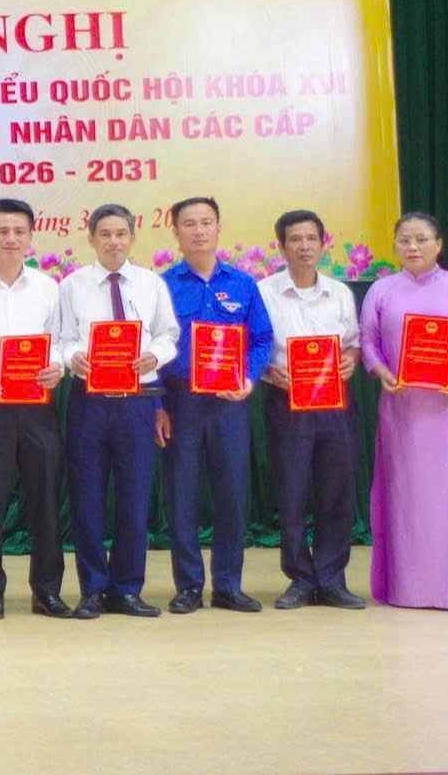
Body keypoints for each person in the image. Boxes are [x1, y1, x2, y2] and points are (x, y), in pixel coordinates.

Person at [359, 211, 448, 611]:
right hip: (402, 410)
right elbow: (368, 339)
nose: (413, 247)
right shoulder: (381, 290)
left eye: (422, 239)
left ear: (439, 244)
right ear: (395, 246)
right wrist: (380, 370)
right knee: (408, 497)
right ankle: (411, 589)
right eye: (405, 240)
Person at [54, 205, 177, 619]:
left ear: (132, 238)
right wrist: (73, 357)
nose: (113, 241)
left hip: (137, 403)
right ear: (91, 238)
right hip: (88, 402)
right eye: (105, 234)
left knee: (134, 497)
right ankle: (92, 589)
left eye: (121, 233)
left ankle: (126, 589)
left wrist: (154, 355)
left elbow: (169, 334)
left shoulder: (151, 284)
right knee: (86, 497)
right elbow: (62, 339)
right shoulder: (71, 286)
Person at [155, 197, 274, 614]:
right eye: (189, 224)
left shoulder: (243, 283)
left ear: (219, 228)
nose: (199, 230)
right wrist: (158, 405)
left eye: (206, 222)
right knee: (181, 494)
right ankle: (188, 586)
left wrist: (249, 378)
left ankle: (228, 585)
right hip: (180, 401)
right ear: (176, 232)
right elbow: (151, 346)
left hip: (229, 402)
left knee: (232, 493)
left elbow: (262, 339)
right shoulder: (161, 285)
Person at [0, 199, 71, 620]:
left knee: (45, 500)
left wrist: (56, 365)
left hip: (38, 406)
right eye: (2, 231)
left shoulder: (48, 287)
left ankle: (48, 591)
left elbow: (59, 339)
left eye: (19, 231)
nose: (11, 238)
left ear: (31, 237)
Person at [256, 210, 367, 610]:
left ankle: (332, 579)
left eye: (311, 239)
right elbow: (254, 345)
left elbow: (353, 343)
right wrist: (269, 371)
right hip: (286, 402)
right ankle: (300, 579)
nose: (304, 246)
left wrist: (351, 359)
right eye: (295, 239)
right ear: (281, 247)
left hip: (334, 402)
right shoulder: (264, 292)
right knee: (292, 491)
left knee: (336, 490)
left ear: (323, 244)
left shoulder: (339, 292)